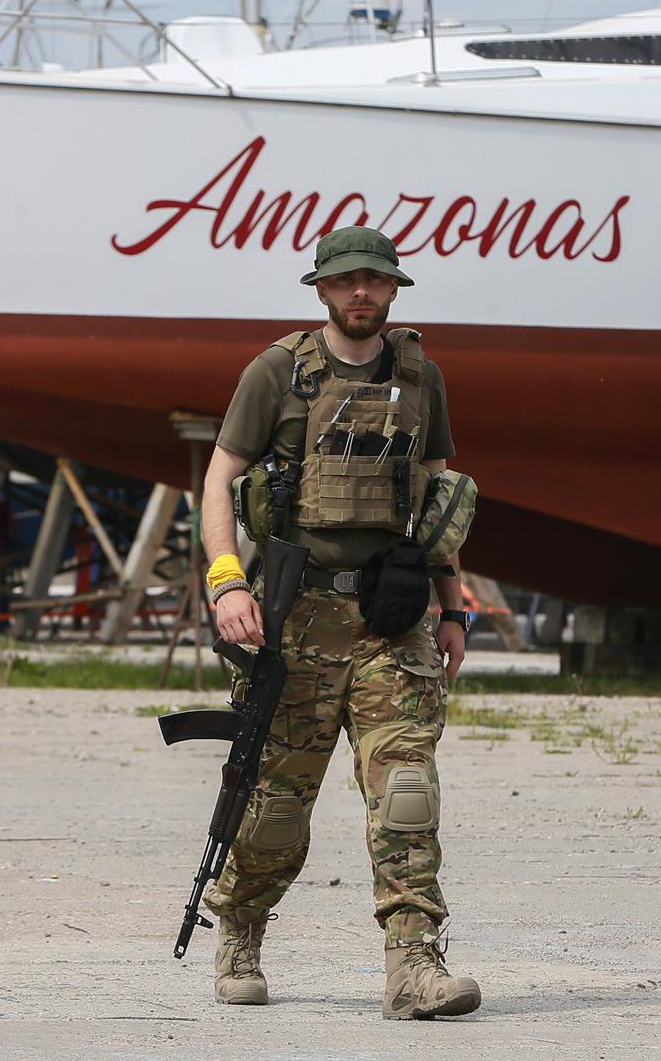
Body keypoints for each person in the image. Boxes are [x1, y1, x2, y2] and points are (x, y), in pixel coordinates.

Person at [198, 225, 480, 1021]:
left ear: (394, 292)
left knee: (407, 792)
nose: (363, 293)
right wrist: (226, 583)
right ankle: (242, 923)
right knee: (278, 803)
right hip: (296, 613)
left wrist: (452, 603)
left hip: (394, 616)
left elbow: (436, 497)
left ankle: (414, 965)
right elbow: (221, 477)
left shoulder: (423, 379)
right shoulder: (277, 372)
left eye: (377, 281)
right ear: (322, 290)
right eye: (348, 281)